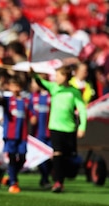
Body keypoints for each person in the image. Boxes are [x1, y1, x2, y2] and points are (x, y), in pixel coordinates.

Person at [31, 65, 87, 193]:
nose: (55, 78)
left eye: (58, 75)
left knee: (68, 157)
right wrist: (33, 74)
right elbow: (41, 82)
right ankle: (58, 182)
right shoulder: (54, 88)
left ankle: (61, 175)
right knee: (57, 154)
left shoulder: (74, 92)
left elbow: (82, 110)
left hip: (69, 129)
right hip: (55, 127)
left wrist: (82, 126)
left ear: (65, 76)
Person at [0, 75, 34, 193]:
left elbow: (31, 114)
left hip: (22, 135)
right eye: (13, 86)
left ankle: (10, 175)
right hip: (10, 135)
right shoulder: (7, 100)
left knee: (23, 158)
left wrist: (33, 117)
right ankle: (13, 182)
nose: (15, 88)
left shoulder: (25, 101)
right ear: (9, 87)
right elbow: (0, 100)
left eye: (17, 86)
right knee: (13, 158)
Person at [29, 73, 52, 189]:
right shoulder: (32, 97)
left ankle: (48, 177)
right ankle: (44, 178)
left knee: (50, 156)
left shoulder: (51, 96)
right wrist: (31, 117)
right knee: (41, 156)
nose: (32, 85)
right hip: (38, 133)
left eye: (34, 82)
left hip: (51, 132)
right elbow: (29, 111)